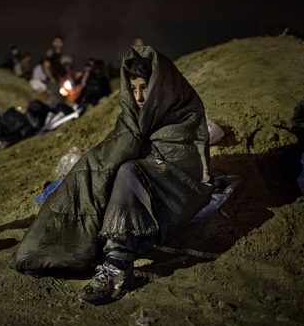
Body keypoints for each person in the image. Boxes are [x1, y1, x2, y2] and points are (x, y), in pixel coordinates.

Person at [14, 46, 213, 305]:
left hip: (178, 180)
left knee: (129, 171)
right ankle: (71, 246)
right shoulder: (134, 115)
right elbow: (118, 147)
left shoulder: (183, 108)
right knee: (101, 171)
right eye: (134, 89)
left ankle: (118, 265)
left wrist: (139, 164)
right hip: (148, 176)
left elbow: (180, 155)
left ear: (160, 86)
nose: (139, 96)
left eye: (145, 88)